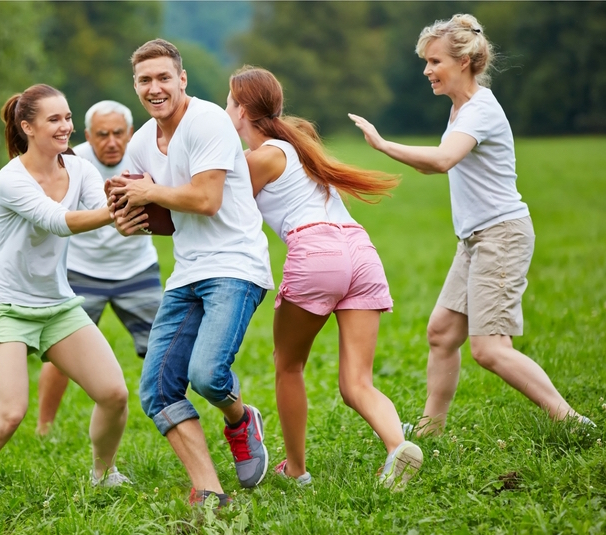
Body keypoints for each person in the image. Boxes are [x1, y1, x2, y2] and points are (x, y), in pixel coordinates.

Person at [348, 14, 594, 436]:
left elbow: (443, 161)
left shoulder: (480, 109)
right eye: (426, 62)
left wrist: (383, 144)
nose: (427, 70)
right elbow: (437, 166)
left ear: (464, 61)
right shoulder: (460, 109)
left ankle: (573, 422)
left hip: (501, 236)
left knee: (490, 349)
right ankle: (430, 429)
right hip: (476, 239)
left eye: (435, 61)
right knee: (442, 332)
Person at [0, 84, 133, 516]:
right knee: (8, 414)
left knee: (114, 393)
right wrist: (120, 209)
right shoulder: (11, 179)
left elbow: (102, 211)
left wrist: (139, 208)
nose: (67, 127)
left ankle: (103, 475)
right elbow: (59, 222)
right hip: (6, 305)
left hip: (56, 304)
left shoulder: (78, 169)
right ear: (28, 127)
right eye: (55, 119)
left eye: (68, 117)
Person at [226, 66, 423, 490]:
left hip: (317, 253)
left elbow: (209, 199)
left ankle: (296, 470)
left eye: (229, 101)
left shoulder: (258, 158)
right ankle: (397, 447)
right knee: (357, 383)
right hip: (361, 251)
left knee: (289, 365)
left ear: (240, 108)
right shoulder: (300, 146)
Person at [108, 39, 274, 506]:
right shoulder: (142, 141)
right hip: (187, 273)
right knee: (156, 391)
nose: (155, 88)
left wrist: (148, 194)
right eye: (145, 80)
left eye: (164, 77)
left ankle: (241, 421)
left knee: (206, 375)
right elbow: (164, 219)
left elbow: (206, 199)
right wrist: (130, 216)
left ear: (182, 79)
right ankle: (210, 491)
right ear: (136, 85)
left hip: (235, 265)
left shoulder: (208, 122)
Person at [36, 100, 162, 436]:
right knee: (62, 351)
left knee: (166, 345)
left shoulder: (145, 155)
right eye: (102, 135)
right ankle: (44, 427)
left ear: (130, 133)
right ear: (89, 136)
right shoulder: (70, 163)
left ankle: (172, 415)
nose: (111, 142)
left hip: (137, 269)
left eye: (118, 133)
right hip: (82, 271)